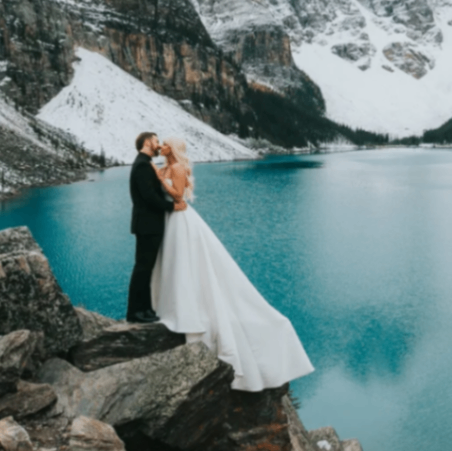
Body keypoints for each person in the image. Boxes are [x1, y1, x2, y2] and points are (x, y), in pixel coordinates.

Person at [149, 136, 315, 392]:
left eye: (166, 143)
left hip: (181, 220)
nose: (162, 146)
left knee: (188, 266)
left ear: (174, 148)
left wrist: (161, 180)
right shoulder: (167, 166)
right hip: (171, 221)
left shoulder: (178, 168)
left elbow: (179, 197)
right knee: (175, 266)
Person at [126, 132, 185, 324]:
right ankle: (135, 312)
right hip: (147, 224)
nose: (159, 145)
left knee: (146, 267)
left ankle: (145, 309)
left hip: (148, 223)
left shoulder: (145, 163)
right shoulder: (143, 165)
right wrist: (171, 206)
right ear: (147, 142)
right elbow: (149, 197)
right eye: (157, 141)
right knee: (143, 268)